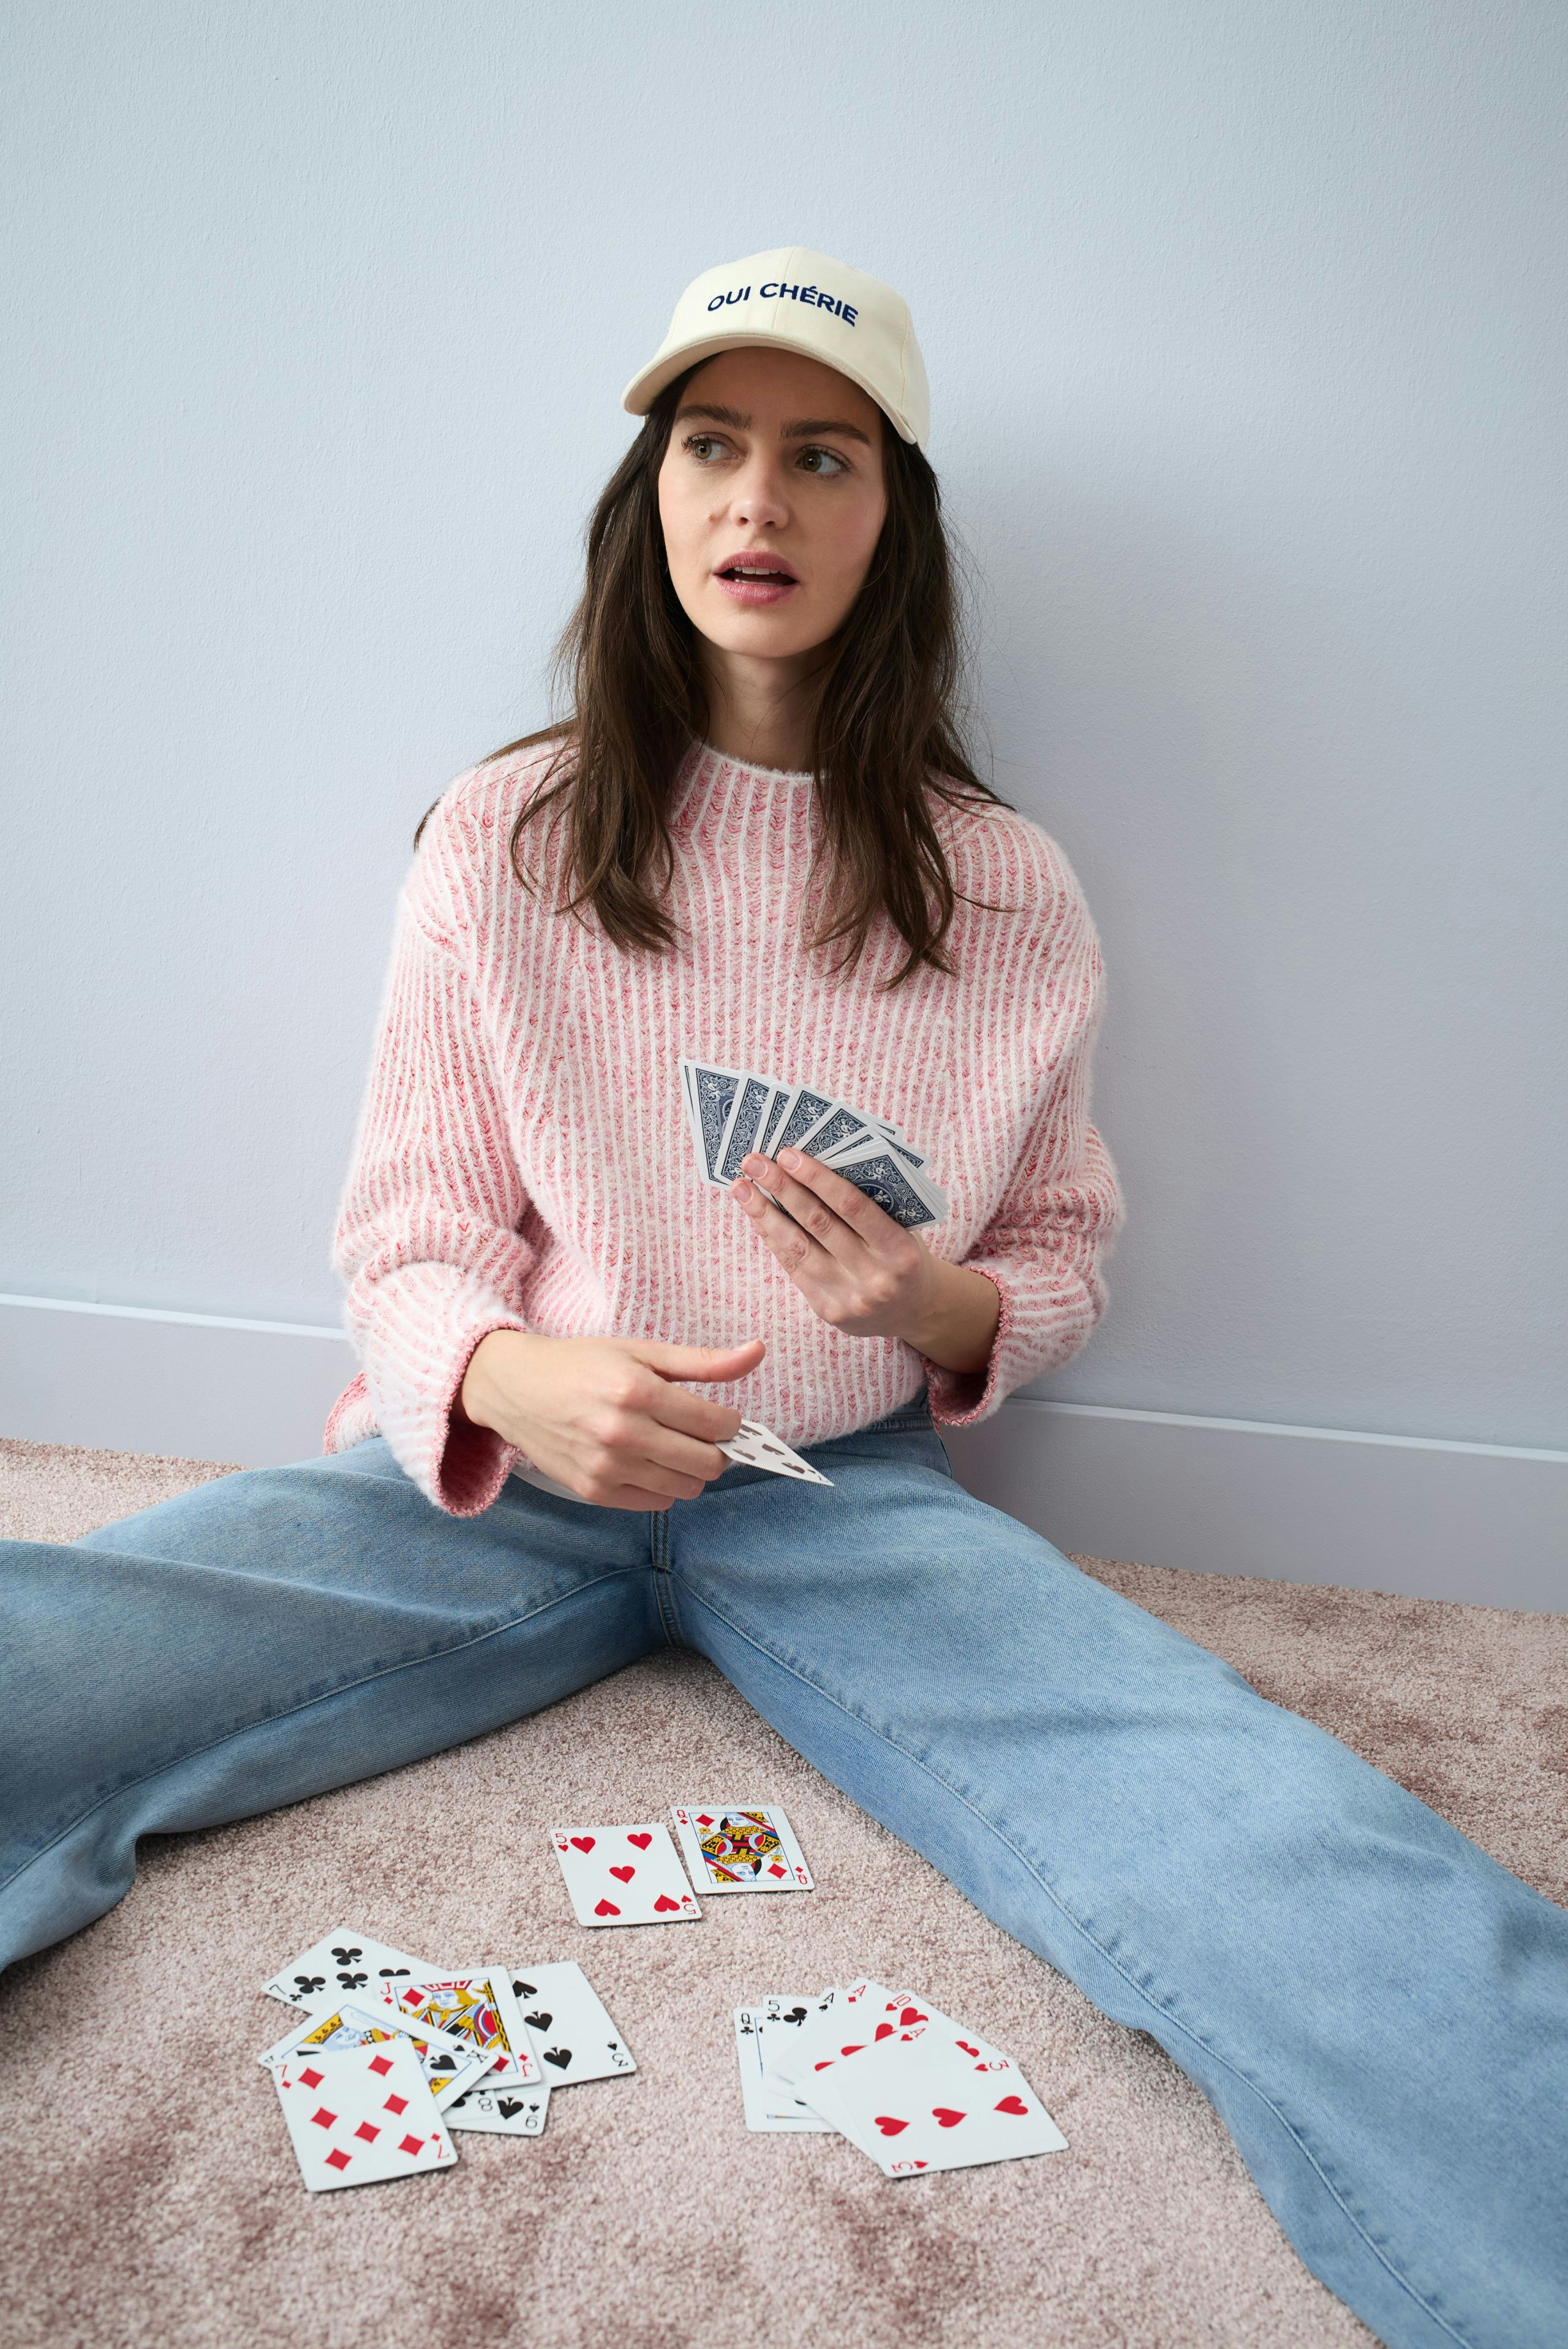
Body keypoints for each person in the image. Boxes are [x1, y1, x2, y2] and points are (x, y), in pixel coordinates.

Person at [1, 246, 1561, 2348]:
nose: (760, 502)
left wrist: (940, 1310)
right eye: (714, 447)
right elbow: (409, 1222)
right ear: (652, 496)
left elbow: (1064, 1253)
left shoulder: (1005, 885)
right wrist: (500, 1372)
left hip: (840, 1494)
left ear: (889, 515)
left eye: (819, 457)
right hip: (498, 1477)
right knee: (58, 1650)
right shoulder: (506, 836)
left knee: (1284, 1842)